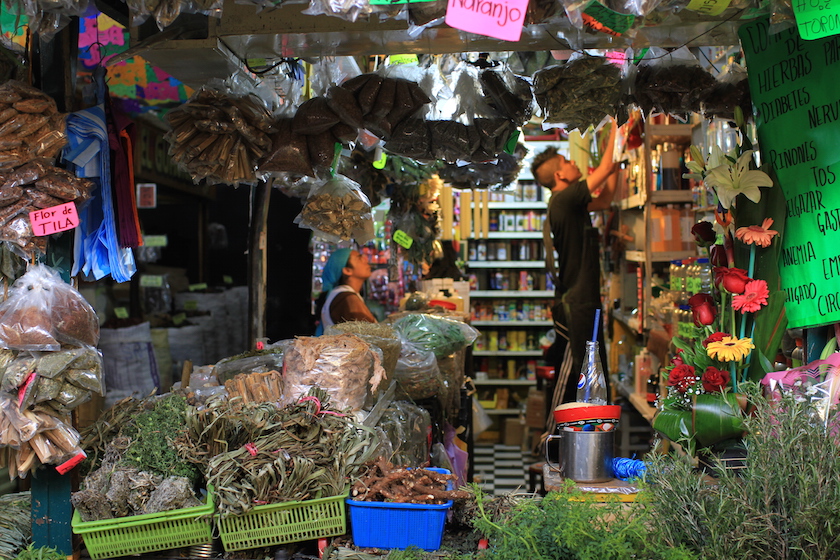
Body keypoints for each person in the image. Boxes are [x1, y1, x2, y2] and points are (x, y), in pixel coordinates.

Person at [532, 122, 619, 421]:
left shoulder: (573, 204)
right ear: (559, 175)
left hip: (585, 302)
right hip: (574, 307)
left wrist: (616, 160)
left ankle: (585, 437)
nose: (573, 164)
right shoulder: (563, 199)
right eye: (568, 162)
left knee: (589, 374)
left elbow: (606, 199)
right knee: (572, 377)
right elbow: (604, 170)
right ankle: (552, 439)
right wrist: (615, 128)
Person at [316, 248, 377, 335]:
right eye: (359, 258)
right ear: (347, 270)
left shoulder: (344, 294)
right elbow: (370, 335)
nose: (365, 260)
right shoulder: (346, 297)